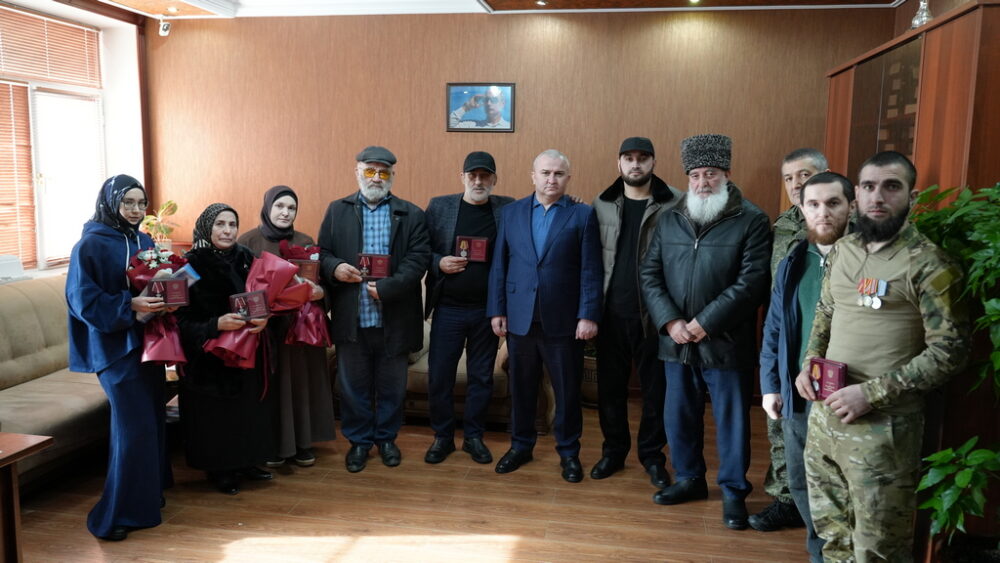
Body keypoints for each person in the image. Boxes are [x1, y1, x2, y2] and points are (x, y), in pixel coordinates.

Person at [796, 151, 969, 561]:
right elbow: (825, 312)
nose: (878, 196)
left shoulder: (930, 264)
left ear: (911, 196)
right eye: (869, 187)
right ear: (857, 194)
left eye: (892, 186)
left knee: (878, 550)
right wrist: (809, 363)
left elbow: (951, 350)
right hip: (824, 421)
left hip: (883, 431)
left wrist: (870, 394)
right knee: (833, 538)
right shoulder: (842, 251)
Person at [640, 134, 771, 529]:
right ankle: (689, 479)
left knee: (731, 421)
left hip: (725, 341)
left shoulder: (751, 219)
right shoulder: (671, 218)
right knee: (678, 415)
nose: (702, 183)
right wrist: (671, 321)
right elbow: (649, 273)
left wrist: (704, 323)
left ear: (726, 174)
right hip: (676, 340)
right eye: (695, 175)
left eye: (710, 174)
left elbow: (752, 283)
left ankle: (733, 492)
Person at [67, 174, 173, 541]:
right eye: (128, 202)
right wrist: (131, 304)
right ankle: (116, 516)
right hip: (114, 349)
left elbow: (153, 285)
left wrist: (168, 295)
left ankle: (146, 498)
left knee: (151, 422)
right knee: (133, 427)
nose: (135, 209)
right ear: (111, 202)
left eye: (141, 203)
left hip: (148, 344)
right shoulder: (90, 245)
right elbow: (82, 301)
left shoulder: (143, 240)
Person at [487, 149, 603, 483]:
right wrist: (497, 309)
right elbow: (500, 265)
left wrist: (588, 315)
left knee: (567, 391)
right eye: (546, 173)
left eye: (558, 174)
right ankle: (520, 446)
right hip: (520, 317)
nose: (552, 179)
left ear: (568, 178)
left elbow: (591, 270)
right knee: (522, 388)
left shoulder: (583, 214)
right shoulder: (511, 212)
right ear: (533, 176)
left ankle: (569, 453)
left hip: (564, 322)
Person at [759, 171, 855, 561]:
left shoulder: (868, 260)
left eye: (833, 203)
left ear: (851, 207)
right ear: (801, 209)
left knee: (844, 490)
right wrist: (771, 384)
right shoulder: (795, 260)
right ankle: (819, 554)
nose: (822, 212)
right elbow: (774, 327)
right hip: (799, 396)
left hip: (849, 399)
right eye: (812, 204)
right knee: (802, 483)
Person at [317, 146, 430, 473]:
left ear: (392, 175)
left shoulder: (411, 213)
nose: (376, 178)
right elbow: (322, 253)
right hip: (352, 317)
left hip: (394, 317)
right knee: (353, 387)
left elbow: (418, 259)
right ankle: (359, 442)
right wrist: (335, 267)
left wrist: (389, 287)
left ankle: (387, 439)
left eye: (383, 172)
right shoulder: (337, 211)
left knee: (392, 387)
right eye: (370, 171)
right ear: (357, 173)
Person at [590, 137, 682, 488]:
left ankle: (652, 457)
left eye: (643, 158)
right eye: (628, 158)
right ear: (619, 163)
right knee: (610, 390)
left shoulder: (676, 202)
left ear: (653, 162)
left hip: (656, 316)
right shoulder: (601, 203)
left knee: (656, 392)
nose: (635, 164)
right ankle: (613, 452)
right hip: (611, 314)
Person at [750, 147, 828, 533]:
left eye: (805, 174)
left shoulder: (843, 226)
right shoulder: (781, 226)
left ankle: (823, 509)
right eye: (789, 177)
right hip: (785, 339)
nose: (796, 184)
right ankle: (787, 499)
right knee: (781, 423)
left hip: (827, 344)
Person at [175, 204, 276, 495]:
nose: (227, 230)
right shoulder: (188, 266)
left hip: (246, 350)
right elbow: (177, 320)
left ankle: (247, 461)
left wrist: (265, 317)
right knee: (216, 417)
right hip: (208, 356)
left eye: (232, 224)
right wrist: (215, 324)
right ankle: (221, 469)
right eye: (220, 224)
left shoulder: (247, 257)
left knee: (247, 411)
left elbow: (263, 298)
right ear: (207, 227)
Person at [422, 151, 514, 464]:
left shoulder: (507, 208)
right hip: (447, 308)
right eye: (472, 175)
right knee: (439, 376)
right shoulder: (439, 207)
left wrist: (571, 201)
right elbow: (420, 249)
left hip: (487, 311)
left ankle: (474, 437)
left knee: (481, 377)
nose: (478, 181)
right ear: (462, 177)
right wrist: (438, 262)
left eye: (484, 176)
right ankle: (443, 437)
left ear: (494, 179)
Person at [237, 185, 335, 468]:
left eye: (291, 208)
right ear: (268, 207)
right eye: (279, 206)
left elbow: (320, 284)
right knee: (271, 388)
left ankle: (302, 442)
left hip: (300, 329)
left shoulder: (306, 241)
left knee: (301, 385)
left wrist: (320, 293)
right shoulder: (248, 242)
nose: (285, 212)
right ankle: (272, 444)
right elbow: (240, 287)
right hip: (265, 330)